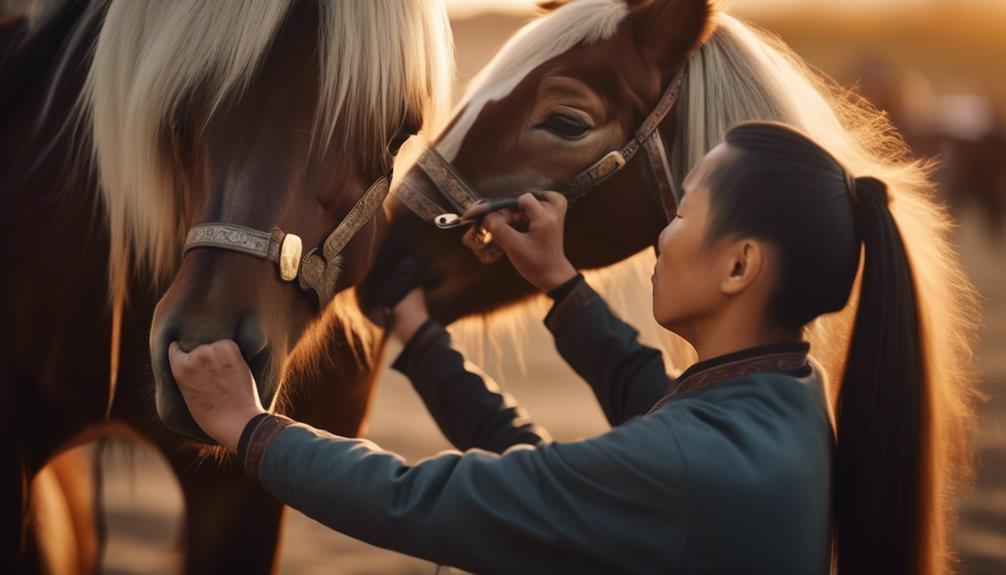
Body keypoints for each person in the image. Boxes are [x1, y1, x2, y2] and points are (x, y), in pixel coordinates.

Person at [168, 121, 941, 574]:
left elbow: (431, 502)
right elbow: (546, 465)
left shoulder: (697, 463)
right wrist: (547, 288)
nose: (662, 237)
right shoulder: (779, 402)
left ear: (740, 266)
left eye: (684, 213)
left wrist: (249, 427)